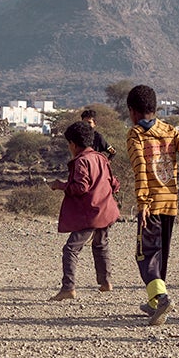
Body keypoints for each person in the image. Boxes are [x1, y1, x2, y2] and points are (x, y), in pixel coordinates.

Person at [124, 84, 179, 326]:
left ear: (132, 111)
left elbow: (141, 167)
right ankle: (154, 302)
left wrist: (143, 201)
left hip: (151, 204)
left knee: (146, 254)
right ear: (155, 108)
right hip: (171, 202)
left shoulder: (135, 134)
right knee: (162, 253)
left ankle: (161, 297)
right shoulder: (170, 130)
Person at [50, 119, 120, 300]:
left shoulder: (81, 161)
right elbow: (114, 183)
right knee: (100, 244)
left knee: (70, 249)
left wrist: (61, 186)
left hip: (91, 213)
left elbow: (80, 187)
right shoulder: (101, 158)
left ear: (73, 144)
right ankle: (105, 282)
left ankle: (68, 288)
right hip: (106, 210)